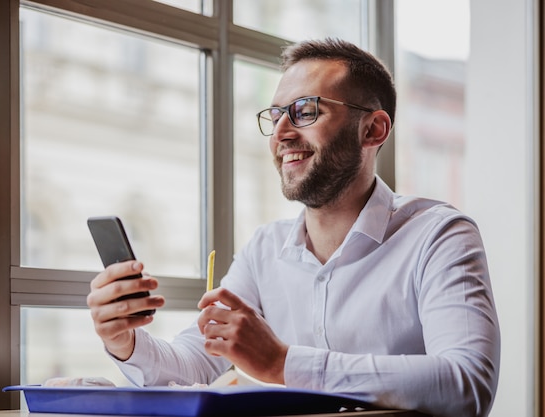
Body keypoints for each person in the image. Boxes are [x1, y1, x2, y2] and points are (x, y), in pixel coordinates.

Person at [87, 38, 500, 417]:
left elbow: (466, 384)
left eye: (305, 111)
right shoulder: (263, 249)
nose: (282, 133)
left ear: (373, 129)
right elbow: (196, 362)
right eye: (276, 115)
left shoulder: (440, 235)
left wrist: (282, 363)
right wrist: (125, 343)